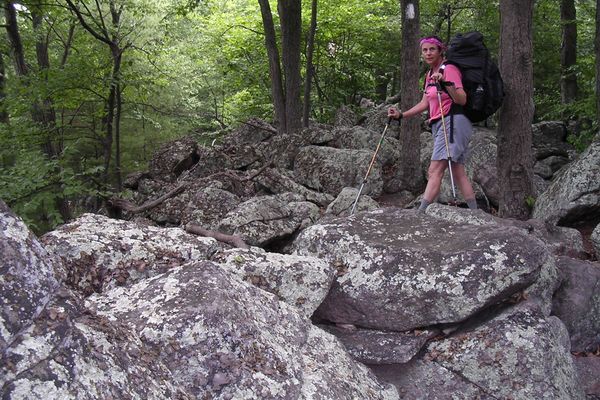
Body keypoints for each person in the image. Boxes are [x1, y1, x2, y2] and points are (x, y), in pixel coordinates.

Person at [388, 35, 477, 212]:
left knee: (434, 170)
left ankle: (420, 213)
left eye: (432, 49)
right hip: (441, 124)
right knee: (457, 171)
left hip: (452, 122)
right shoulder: (429, 74)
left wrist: (445, 83)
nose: (428, 53)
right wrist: (401, 115)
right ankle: (476, 213)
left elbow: (462, 99)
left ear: (440, 50)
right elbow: (425, 103)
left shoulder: (449, 69)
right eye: (425, 50)